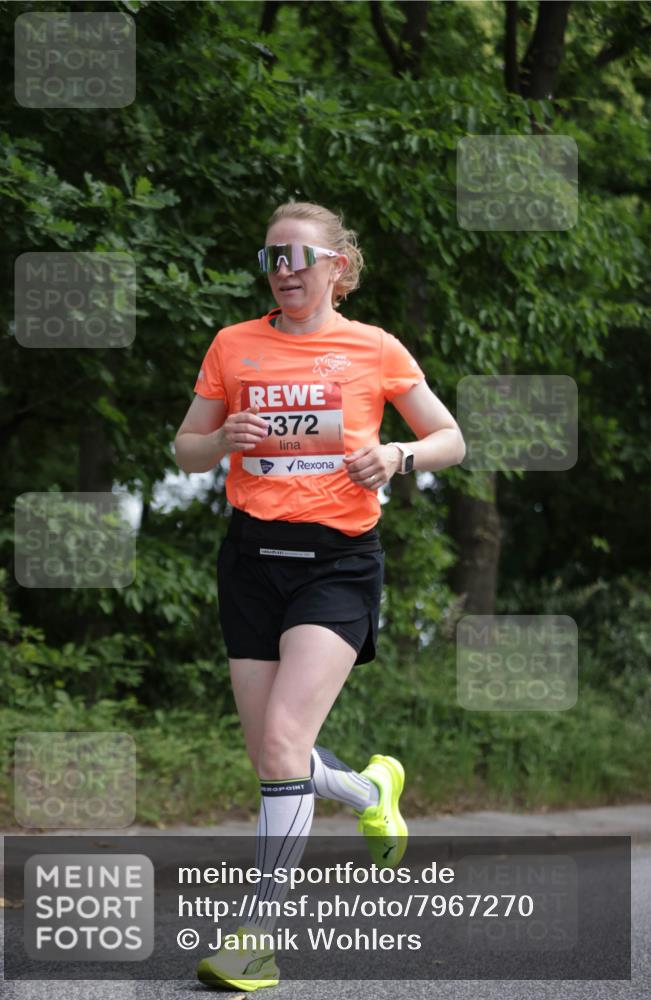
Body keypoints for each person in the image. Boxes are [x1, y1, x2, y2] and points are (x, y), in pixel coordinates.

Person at [175, 201, 466, 991]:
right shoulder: (234, 345)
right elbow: (185, 448)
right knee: (274, 753)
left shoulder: (372, 348)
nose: (286, 271)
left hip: (335, 563)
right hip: (248, 562)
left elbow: (450, 437)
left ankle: (257, 937)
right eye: (273, 257)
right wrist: (219, 441)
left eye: (300, 256)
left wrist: (399, 456)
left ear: (336, 265)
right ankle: (371, 787)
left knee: (279, 745)